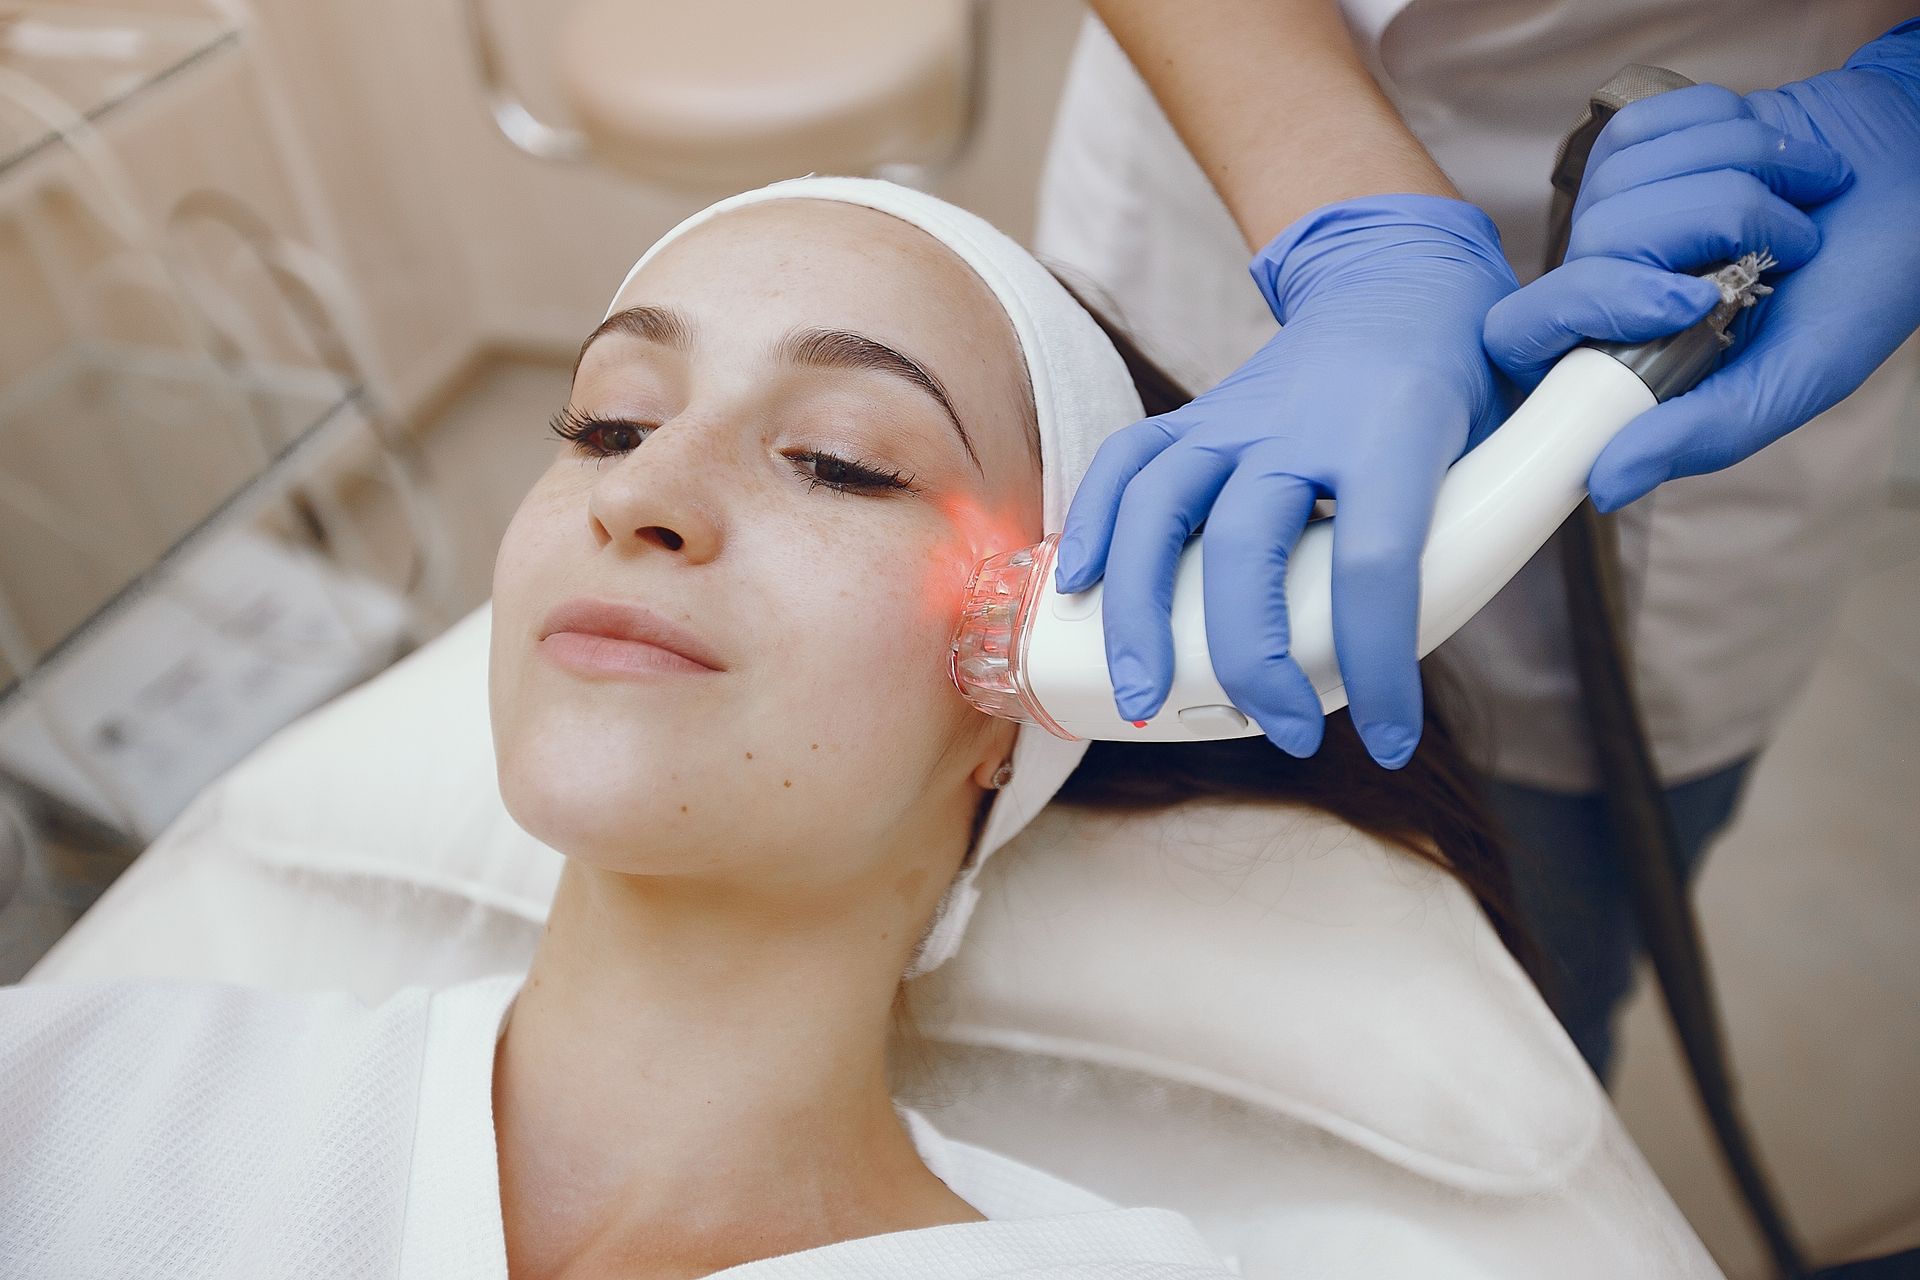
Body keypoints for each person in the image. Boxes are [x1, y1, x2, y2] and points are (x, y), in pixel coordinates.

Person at [0, 177, 1530, 1280]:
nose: (639, 492)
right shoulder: (75, 1091)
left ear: (1031, 687)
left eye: (840, 461)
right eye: (608, 420)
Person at [1034, 4, 1920, 1079]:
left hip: (1752, 196)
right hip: (1218, 151)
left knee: (1516, 1013)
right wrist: (1359, 228)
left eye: (844, 463)